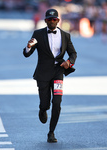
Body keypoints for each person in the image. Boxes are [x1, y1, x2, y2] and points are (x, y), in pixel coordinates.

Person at [23, 8, 77, 143]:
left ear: (58, 21)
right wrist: (28, 46)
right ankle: (42, 109)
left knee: (57, 102)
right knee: (45, 103)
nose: (52, 22)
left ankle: (51, 132)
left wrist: (69, 63)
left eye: (54, 19)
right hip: (42, 73)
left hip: (58, 72)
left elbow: (73, 53)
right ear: (45, 21)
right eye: (49, 19)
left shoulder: (65, 35)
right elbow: (26, 54)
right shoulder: (38, 34)